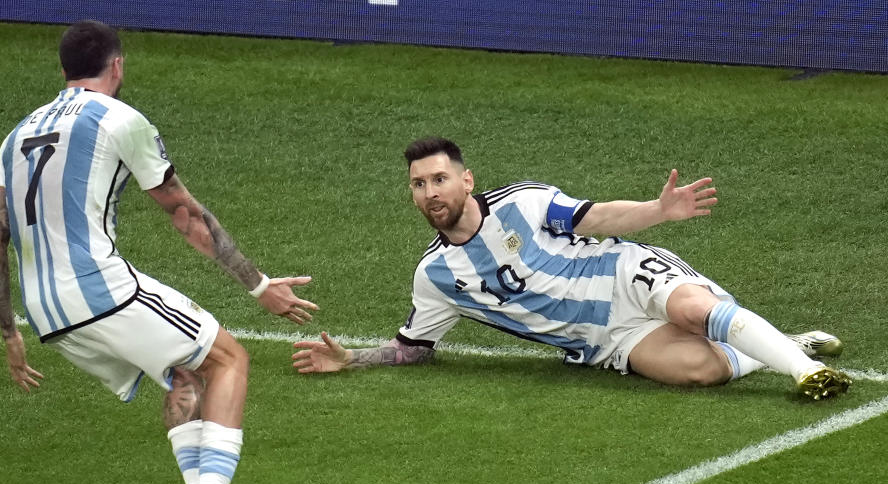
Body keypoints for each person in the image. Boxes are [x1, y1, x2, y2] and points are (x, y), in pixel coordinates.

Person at [0, 20, 316, 484]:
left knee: (185, 373)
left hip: (45, 311)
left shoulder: (15, 135)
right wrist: (258, 285)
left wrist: (9, 333)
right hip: (99, 290)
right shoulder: (119, 119)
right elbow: (187, 216)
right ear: (116, 65)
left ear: (63, 69)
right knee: (229, 358)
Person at [292, 137, 850, 400]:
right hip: (607, 340)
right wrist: (352, 358)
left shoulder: (521, 202)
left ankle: (806, 373)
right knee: (702, 372)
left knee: (694, 309)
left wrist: (659, 211)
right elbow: (413, 349)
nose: (430, 191)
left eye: (439, 179)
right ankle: (789, 342)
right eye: (419, 184)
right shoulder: (435, 277)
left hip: (622, 275)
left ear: (465, 181)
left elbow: (596, 215)